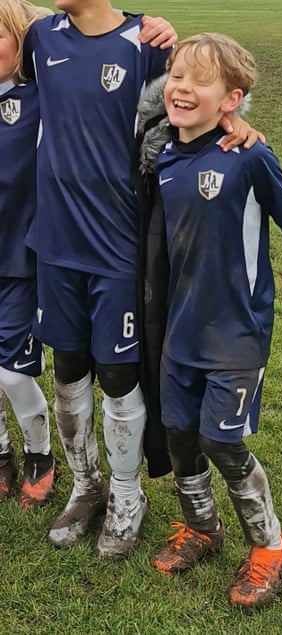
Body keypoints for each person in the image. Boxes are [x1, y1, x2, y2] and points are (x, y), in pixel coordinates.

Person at [136, 33, 282, 608]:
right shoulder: (165, 154)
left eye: (199, 81)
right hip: (180, 329)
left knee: (221, 439)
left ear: (232, 98)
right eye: (176, 76)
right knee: (179, 436)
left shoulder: (248, 156)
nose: (181, 88)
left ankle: (269, 546)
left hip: (237, 332)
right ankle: (202, 527)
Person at [21, 0, 178, 559]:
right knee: (68, 366)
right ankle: (86, 486)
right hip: (56, 241)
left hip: (117, 242)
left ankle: (127, 493)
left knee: (116, 371)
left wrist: (237, 121)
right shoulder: (40, 37)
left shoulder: (148, 41)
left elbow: (185, 116)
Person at [0, 0, 57, 510]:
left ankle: (40, 455)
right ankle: (1, 455)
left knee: (12, 373)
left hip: (17, 258)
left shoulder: (40, 97)